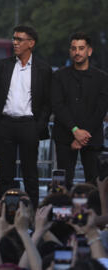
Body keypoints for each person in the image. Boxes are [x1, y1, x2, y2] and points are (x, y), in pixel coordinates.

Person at [0, 25, 52, 207]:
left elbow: (48, 102)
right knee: (5, 175)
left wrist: (39, 125)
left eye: (19, 39)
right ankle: (5, 212)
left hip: (29, 126)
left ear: (31, 43)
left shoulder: (43, 68)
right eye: (14, 38)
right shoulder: (4, 65)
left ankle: (31, 214)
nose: (14, 42)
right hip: (5, 125)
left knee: (30, 174)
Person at [51, 32, 108, 189]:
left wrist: (83, 135)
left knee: (94, 183)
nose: (77, 52)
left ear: (89, 51)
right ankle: (60, 213)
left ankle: (93, 214)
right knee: (62, 184)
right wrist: (75, 130)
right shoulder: (58, 76)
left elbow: (101, 109)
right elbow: (57, 105)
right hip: (64, 136)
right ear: (70, 51)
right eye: (74, 48)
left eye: (81, 48)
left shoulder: (102, 78)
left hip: (92, 137)